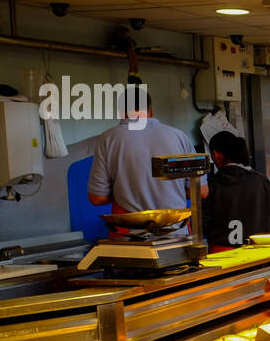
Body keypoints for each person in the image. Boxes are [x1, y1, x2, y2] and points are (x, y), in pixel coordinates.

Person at [87, 84, 208, 233]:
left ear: (121, 112)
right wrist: (170, 191)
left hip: (132, 235)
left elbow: (97, 198)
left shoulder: (109, 139)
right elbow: (201, 192)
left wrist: (126, 190)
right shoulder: (179, 136)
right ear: (151, 111)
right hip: (177, 232)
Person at [204, 131, 270, 252]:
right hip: (259, 252)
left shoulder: (212, 184)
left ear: (216, 154)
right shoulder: (261, 180)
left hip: (221, 255)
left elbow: (204, 223)